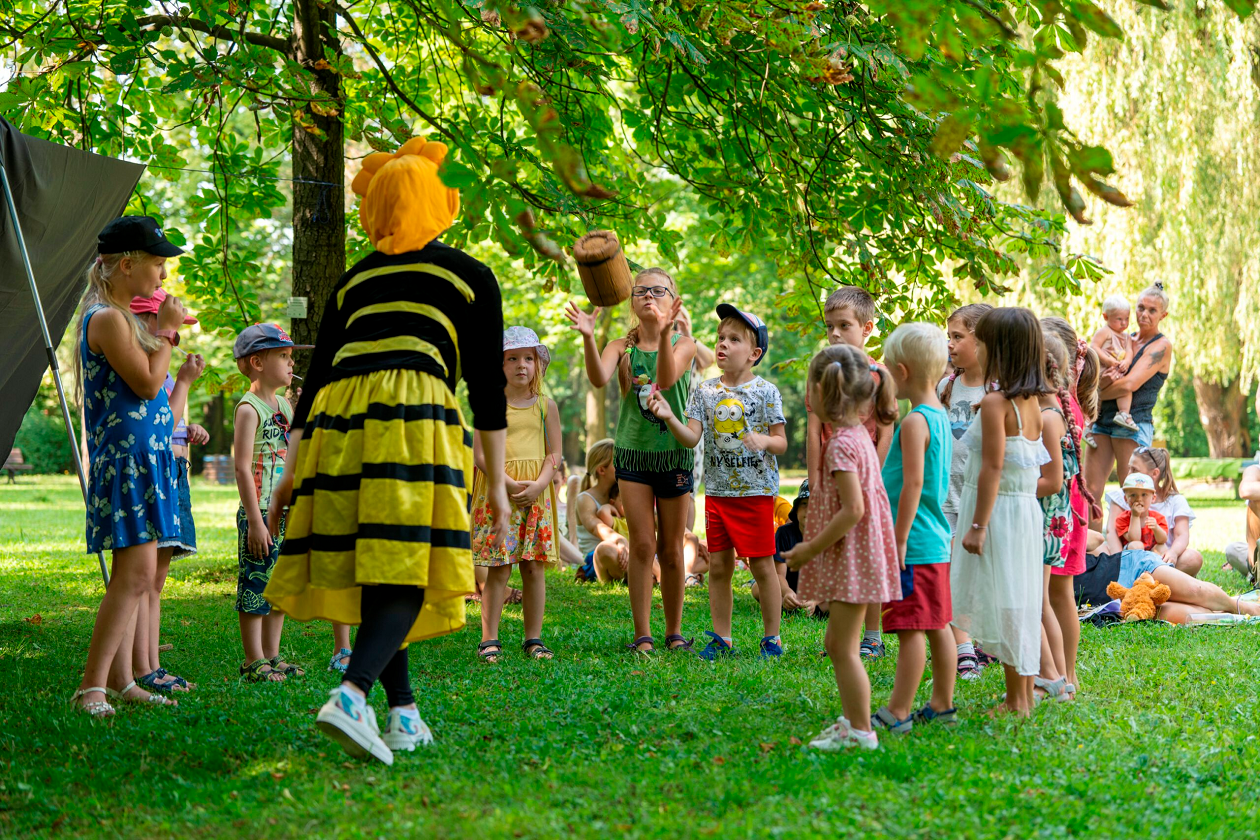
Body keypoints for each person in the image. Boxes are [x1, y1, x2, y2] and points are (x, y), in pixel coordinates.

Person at [263, 138, 510, 765]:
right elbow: (488, 389)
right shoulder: (470, 276)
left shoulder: (352, 280)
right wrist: (499, 485)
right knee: (409, 562)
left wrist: (290, 471)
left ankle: (403, 714)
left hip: (336, 427)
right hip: (413, 417)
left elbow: (314, 380)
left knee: (380, 557)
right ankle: (352, 694)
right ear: (440, 201)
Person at [71, 216, 194, 716]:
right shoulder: (105, 318)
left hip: (145, 463)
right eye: (158, 264)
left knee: (140, 576)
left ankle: (123, 680)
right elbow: (146, 384)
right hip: (125, 465)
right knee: (132, 577)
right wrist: (164, 332)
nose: (163, 276)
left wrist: (164, 341)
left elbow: (156, 390)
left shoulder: (121, 317)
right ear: (127, 265)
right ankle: (91, 688)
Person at [565, 268, 697, 654]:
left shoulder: (685, 344)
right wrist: (590, 338)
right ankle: (644, 635)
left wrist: (665, 331)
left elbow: (667, 380)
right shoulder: (619, 346)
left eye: (658, 291)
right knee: (642, 545)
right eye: (641, 291)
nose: (649, 297)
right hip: (633, 457)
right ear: (632, 301)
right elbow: (597, 377)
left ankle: (674, 632)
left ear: (673, 300)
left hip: (673, 455)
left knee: (671, 549)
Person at [648, 305, 787, 659]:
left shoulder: (766, 391)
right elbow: (691, 437)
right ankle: (722, 638)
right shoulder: (706, 391)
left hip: (755, 494)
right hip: (718, 495)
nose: (723, 345)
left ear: (754, 353)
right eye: (721, 338)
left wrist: (764, 441)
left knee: (762, 565)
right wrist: (668, 416)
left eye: (734, 339)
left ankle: (772, 638)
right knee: (721, 567)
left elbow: (781, 441)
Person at [785, 344, 901, 751]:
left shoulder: (840, 444)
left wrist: (809, 548)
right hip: (860, 553)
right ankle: (853, 722)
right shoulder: (856, 436)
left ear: (823, 392)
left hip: (858, 557)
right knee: (838, 644)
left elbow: (853, 509)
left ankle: (860, 731)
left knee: (843, 648)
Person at [951, 307, 1050, 717]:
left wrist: (977, 525)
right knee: (1021, 602)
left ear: (998, 350)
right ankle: (1024, 694)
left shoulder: (995, 403)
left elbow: (992, 468)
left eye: (981, 341)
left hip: (995, 515)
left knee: (1009, 602)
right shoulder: (1030, 403)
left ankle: (1015, 701)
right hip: (1023, 513)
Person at [872, 323, 957, 733]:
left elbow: (914, 483)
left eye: (887, 366)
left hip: (915, 543)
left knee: (909, 632)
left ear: (902, 372)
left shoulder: (913, 423)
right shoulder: (940, 416)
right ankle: (942, 703)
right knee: (938, 625)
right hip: (936, 541)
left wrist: (899, 539)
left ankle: (898, 711)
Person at [806, 285, 896, 660]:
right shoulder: (822, 370)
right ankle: (842, 634)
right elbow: (813, 429)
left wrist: (871, 474)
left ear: (868, 327)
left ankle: (872, 635)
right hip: (832, 475)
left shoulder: (879, 375)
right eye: (830, 326)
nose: (836, 334)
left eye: (844, 325)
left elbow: (887, 426)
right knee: (840, 554)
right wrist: (814, 481)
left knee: (868, 556)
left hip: (866, 479)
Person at [128, 289, 206, 695]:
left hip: (171, 472)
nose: (177, 340)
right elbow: (158, 425)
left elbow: (171, 424)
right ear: (147, 322)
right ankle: (143, 667)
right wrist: (187, 384)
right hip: (154, 474)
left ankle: (152, 663)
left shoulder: (163, 373)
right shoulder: (144, 370)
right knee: (142, 579)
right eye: (171, 330)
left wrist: (189, 429)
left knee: (155, 581)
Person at [471, 327, 561, 662]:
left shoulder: (545, 407)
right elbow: (480, 454)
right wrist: (507, 483)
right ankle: (488, 638)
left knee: (534, 567)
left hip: (536, 495)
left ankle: (533, 638)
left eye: (528, 358)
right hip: (499, 491)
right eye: (512, 359)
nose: (521, 365)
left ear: (538, 364)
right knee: (499, 568)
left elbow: (554, 455)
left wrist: (538, 485)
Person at [232, 324, 305, 682]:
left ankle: (273, 655)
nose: (291, 363)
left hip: (284, 511)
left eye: (291, 356)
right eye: (283, 356)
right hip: (259, 513)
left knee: (280, 587)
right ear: (257, 362)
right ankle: (253, 659)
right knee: (257, 585)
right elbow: (242, 468)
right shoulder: (249, 409)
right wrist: (255, 522)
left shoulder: (285, 406)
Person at [1041, 317, 1101, 698]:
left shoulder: (1056, 409)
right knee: (1061, 593)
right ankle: (1067, 674)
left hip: (1058, 508)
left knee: (1055, 594)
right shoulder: (1070, 404)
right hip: (1069, 506)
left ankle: (1061, 674)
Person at [1085, 283, 1173, 526]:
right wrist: (1096, 387)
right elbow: (1096, 375)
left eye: (1152, 311)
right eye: (1141, 308)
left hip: (1131, 422)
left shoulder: (1160, 346)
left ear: (1163, 315)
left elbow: (1129, 385)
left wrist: (1096, 396)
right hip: (1103, 421)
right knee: (1090, 492)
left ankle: (1136, 552)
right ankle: (1091, 555)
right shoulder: (1124, 339)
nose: (1144, 314)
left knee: (1134, 493)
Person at [938, 302, 994, 680]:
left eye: (958, 337)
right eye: (949, 337)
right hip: (947, 497)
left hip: (981, 500)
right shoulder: (946, 386)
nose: (951, 345)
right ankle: (962, 650)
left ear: (983, 339)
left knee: (980, 578)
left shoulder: (998, 390)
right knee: (949, 576)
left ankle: (982, 643)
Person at [1033, 332, 1072, 702]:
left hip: (1047, 520)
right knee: (1040, 600)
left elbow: (1052, 480)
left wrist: (1012, 490)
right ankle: (1061, 679)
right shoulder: (1051, 411)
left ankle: (1057, 678)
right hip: (1054, 521)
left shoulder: (1047, 418)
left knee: (1039, 602)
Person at [1103, 447, 1203, 576]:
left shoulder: (1175, 501)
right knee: (1098, 550)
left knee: (1193, 558)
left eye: (1134, 470)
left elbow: (1182, 536)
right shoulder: (1122, 495)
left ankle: (1149, 580)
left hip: (1162, 559)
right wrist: (1118, 563)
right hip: (1128, 556)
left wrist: (1173, 553)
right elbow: (1112, 533)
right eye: (1129, 468)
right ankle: (1142, 579)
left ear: (1154, 474)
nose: (1128, 474)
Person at [753, 482, 821, 615]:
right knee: (757, 588)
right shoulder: (785, 533)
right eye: (804, 504)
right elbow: (779, 574)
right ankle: (789, 603)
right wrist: (787, 592)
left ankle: (814, 608)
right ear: (796, 510)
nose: (809, 510)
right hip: (790, 587)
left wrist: (815, 600)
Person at [571, 439, 632, 584]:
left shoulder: (622, 494)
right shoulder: (585, 499)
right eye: (618, 462)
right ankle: (647, 575)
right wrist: (620, 540)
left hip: (627, 552)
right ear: (601, 470)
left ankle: (643, 575)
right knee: (606, 549)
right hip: (598, 560)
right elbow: (596, 526)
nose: (624, 465)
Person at [1090, 295, 1138, 434]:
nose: (1124, 323)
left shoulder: (1127, 336)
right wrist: (1109, 361)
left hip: (1117, 372)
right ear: (1106, 317)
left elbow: (1129, 351)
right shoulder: (1105, 332)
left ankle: (1123, 413)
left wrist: (1127, 361)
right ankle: (1089, 425)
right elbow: (1094, 348)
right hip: (1103, 370)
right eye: (1119, 319)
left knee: (1124, 390)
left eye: (1127, 318)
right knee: (1095, 397)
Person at [1223, 456, 1260, 586]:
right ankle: (1256, 569)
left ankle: (1253, 574)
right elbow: (1246, 490)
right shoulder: (1255, 470)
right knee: (1232, 549)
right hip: (1255, 553)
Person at [1115, 473, 1167, 553]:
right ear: (1126, 499)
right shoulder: (1122, 519)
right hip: (1132, 556)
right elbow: (1134, 539)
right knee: (1136, 545)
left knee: (1162, 547)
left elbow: (1163, 540)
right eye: (1133, 495)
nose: (1139, 499)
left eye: (1144, 494)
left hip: (1151, 553)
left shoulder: (1158, 518)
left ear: (1153, 498)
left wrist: (1156, 528)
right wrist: (1135, 516)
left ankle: (1155, 565)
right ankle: (1140, 566)